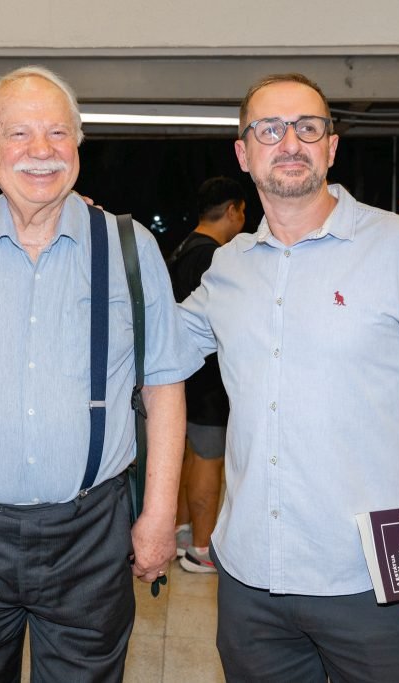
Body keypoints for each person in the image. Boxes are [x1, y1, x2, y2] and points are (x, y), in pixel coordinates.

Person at [178, 72, 399, 682]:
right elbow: (158, 345)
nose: (290, 141)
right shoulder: (230, 266)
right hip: (251, 583)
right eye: (269, 129)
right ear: (244, 154)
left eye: (308, 127)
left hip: (370, 580)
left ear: (331, 145)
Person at [0, 65, 200, 681]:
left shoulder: (128, 246)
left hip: (91, 531)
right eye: (19, 134)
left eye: (57, 134)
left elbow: (164, 384)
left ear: (79, 146)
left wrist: (160, 514)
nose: (41, 151)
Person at [168, 176, 245, 574]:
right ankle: (201, 547)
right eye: (243, 212)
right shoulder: (214, 256)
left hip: (184, 375)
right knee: (208, 459)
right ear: (232, 209)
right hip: (207, 380)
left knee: (191, 456)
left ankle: (182, 530)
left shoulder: (184, 246)